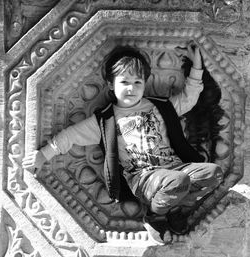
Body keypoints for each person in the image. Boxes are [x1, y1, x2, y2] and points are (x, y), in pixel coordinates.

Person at [22, 44, 223, 245]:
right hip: (144, 178)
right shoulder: (105, 120)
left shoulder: (160, 107)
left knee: (213, 173)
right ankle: (155, 215)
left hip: (175, 168)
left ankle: (174, 206)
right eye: (124, 81)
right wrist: (44, 154)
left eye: (137, 82)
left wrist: (196, 66)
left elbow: (189, 98)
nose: (131, 88)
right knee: (177, 181)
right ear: (110, 84)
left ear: (145, 83)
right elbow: (70, 135)